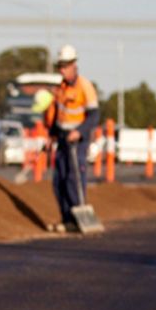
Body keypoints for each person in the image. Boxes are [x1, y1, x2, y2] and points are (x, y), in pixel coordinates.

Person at [44, 45, 99, 232]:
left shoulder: (85, 86)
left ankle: (79, 218)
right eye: (60, 66)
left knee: (73, 179)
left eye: (65, 65)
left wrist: (80, 131)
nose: (62, 70)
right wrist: (52, 135)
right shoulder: (60, 88)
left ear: (74, 65)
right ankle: (67, 218)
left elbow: (94, 115)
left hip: (77, 141)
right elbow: (58, 114)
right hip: (62, 139)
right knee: (58, 180)